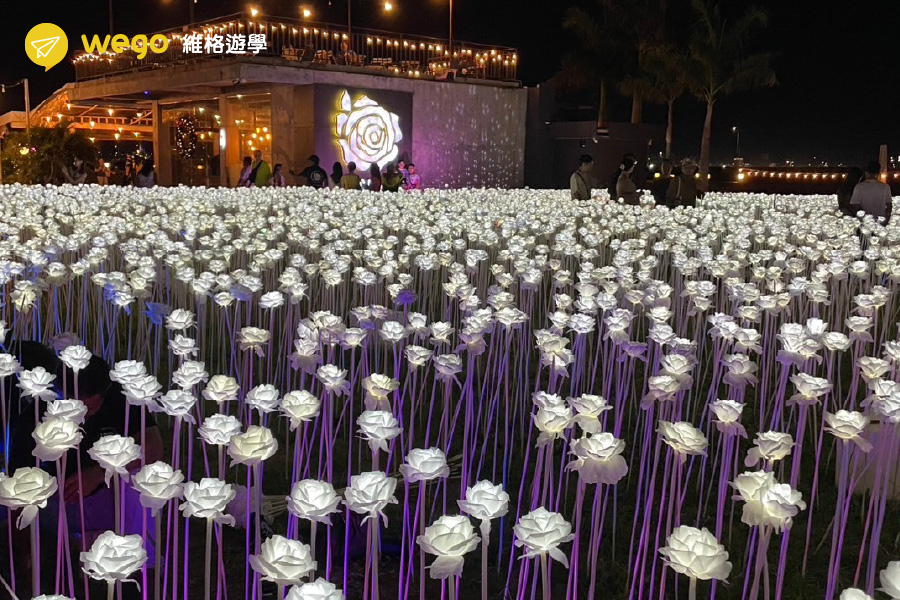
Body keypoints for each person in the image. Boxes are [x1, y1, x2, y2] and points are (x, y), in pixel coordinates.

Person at [8, 354, 164, 568]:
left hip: (109, 500)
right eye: (76, 405)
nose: (84, 416)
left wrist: (100, 472)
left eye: (91, 408)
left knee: (143, 478)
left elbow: (153, 447)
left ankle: (143, 562)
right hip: (60, 506)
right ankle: (85, 539)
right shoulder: (36, 413)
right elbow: (17, 482)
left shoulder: (121, 400)